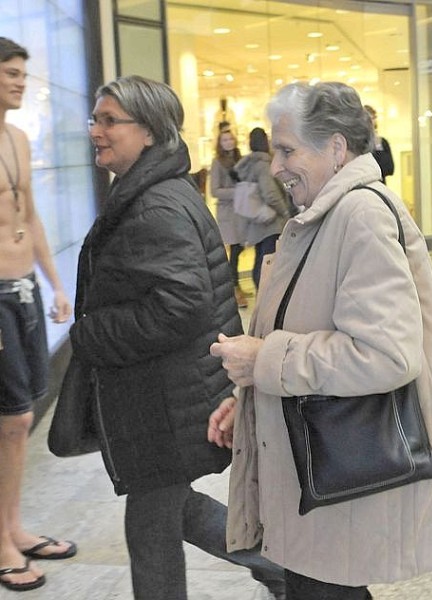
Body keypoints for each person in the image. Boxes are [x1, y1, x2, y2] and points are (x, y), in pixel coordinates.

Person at [209, 81, 432, 600]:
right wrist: (248, 399)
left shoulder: (361, 216)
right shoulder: (323, 215)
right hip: (320, 470)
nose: (277, 165)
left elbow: (386, 354)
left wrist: (264, 361)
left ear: (335, 147)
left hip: (339, 476)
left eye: (288, 151)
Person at [73, 75, 285, 600]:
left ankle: (292, 572)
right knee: (166, 513)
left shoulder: (155, 205)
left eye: (109, 121)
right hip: (166, 395)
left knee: (150, 527)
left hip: (165, 400)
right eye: (95, 119)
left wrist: (92, 332)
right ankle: (287, 570)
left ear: (148, 131)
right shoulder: (151, 192)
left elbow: (180, 304)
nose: (96, 131)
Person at [0, 36, 74, 593]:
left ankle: (13, 528)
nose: (20, 81)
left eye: (23, 73)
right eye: (9, 73)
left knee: (19, 421)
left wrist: (55, 284)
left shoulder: (19, 138)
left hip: (24, 287)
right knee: (12, 419)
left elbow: (32, 216)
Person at [233, 127, 293, 289]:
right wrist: (285, 211)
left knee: (260, 259)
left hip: (257, 221)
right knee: (268, 263)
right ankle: (265, 298)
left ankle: (262, 294)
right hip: (270, 222)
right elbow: (270, 193)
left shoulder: (249, 164)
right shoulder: (263, 165)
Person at [210, 125, 248, 308]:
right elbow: (215, 190)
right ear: (220, 143)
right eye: (225, 140)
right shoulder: (217, 162)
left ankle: (236, 285)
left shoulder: (240, 158)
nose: (229, 143)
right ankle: (234, 287)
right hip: (228, 212)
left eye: (231, 139)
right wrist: (237, 192)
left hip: (242, 211)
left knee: (239, 249)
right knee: (233, 250)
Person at [364, 105, 394, 183]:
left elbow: (389, 169)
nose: (372, 121)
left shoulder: (382, 142)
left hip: (380, 185)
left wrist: (378, 146)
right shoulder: (358, 143)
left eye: (374, 118)